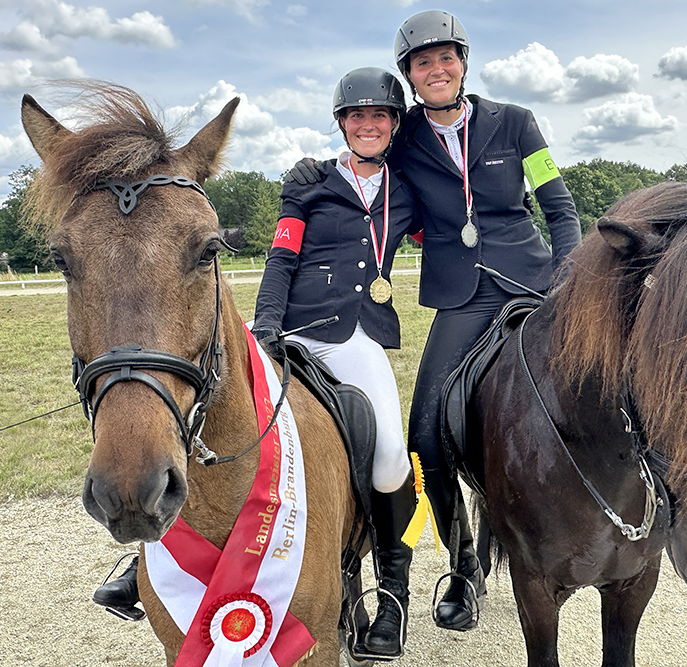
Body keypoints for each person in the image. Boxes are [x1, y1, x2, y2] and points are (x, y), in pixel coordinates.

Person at [289, 10, 582, 632]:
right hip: (460, 296)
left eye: (446, 58)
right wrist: (312, 173)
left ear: (463, 63)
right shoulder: (405, 137)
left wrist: (567, 280)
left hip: (531, 283)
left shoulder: (518, 124)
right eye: (423, 63)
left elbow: (558, 205)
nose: (437, 69)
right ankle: (463, 561)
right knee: (425, 436)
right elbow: (359, 157)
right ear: (411, 77)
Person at [253, 67, 422, 660]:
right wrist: (266, 325)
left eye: (380, 116)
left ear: (395, 124)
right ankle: (146, 560)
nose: (368, 124)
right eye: (357, 116)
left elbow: (443, 232)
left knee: (390, 462)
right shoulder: (310, 185)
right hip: (293, 326)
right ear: (342, 124)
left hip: (357, 336)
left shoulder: (409, 189)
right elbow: (280, 256)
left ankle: (394, 593)